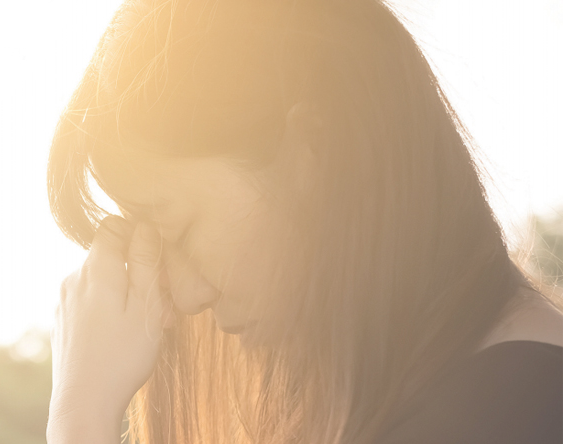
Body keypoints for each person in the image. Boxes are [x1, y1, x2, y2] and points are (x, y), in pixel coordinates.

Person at [44, 0, 563, 443]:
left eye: (180, 229)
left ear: (317, 152)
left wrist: (81, 416)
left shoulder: (510, 411)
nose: (184, 295)